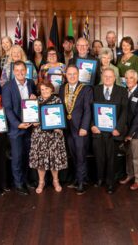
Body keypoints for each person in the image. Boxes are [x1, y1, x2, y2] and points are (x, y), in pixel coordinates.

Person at [2, 60, 37, 196]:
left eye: (22, 70)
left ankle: (26, 179)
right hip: (16, 129)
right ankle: (18, 184)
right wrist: (17, 124)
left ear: (26, 70)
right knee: (17, 157)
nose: (20, 73)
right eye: (17, 71)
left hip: (29, 127)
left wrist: (35, 97)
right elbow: (8, 109)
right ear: (13, 72)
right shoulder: (7, 87)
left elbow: (33, 103)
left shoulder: (31, 83)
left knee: (27, 155)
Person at [91, 68, 128, 194]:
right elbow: (90, 110)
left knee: (111, 158)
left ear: (114, 78)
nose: (107, 78)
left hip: (114, 132)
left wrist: (118, 128)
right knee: (99, 157)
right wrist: (92, 125)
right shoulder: (95, 90)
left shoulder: (122, 91)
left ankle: (110, 183)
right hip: (98, 131)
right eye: (105, 76)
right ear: (102, 77)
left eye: (110, 76)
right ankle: (100, 179)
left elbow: (124, 112)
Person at [59, 65, 93, 195]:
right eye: (69, 74)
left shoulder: (86, 89)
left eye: (74, 74)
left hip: (80, 128)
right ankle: (77, 178)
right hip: (67, 128)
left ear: (78, 75)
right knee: (73, 155)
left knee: (81, 156)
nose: (72, 76)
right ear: (66, 75)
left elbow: (87, 110)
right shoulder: (63, 88)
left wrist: (85, 127)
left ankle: (81, 182)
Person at [29, 81, 68, 194]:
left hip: (54, 135)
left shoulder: (58, 101)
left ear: (51, 89)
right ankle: (41, 181)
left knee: (54, 158)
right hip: (39, 135)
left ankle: (56, 180)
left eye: (47, 88)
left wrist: (59, 126)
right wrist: (34, 122)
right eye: (42, 89)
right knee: (40, 159)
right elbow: (31, 118)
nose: (45, 91)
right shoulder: (35, 102)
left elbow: (62, 117)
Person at [120, 69, 138, 190]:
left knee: (136, 156)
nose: (128, 80)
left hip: (135, 132)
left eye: (131, 78)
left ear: (136, 79)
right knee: (128, 155)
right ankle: (130, 175)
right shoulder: (125, 92)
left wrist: (130, 134)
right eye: (126, 78)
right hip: (125, 130)